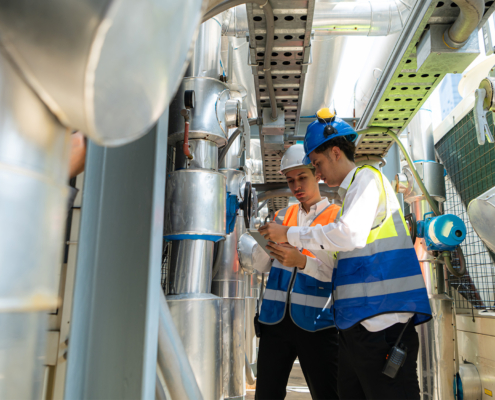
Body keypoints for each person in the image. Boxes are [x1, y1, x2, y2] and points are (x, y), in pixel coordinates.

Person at [259, 109, 432, 400]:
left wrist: (288, 234)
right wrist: (299, 259)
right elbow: (332, 269)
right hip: (358, 327)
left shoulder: (366, 178)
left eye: (317, 163)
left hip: (383, 322)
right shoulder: (350, 195)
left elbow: (349, 234)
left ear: (336, 152)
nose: (319, 172)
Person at [253, 144, 340, 400]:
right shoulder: (281, 216)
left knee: (328, 393)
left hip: (317, 324)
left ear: (317, 174)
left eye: (302, 178)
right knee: (267, 395)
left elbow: (338, 272)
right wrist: (254, 250)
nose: (296, 186)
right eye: (291, 181)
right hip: (274, 321)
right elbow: (263, 264)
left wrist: (301, 260)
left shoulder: (336, 218)